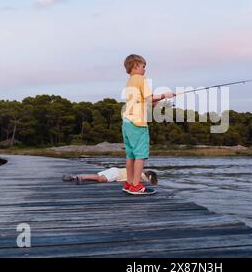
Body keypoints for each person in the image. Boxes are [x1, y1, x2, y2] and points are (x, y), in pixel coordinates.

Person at [122, 54, 174, 195]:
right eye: (144, 66)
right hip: (138, 123)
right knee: (140, 155)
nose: (145, 70)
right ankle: (136, 186)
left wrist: (158, 101)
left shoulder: (130, 81)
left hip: (127, 122)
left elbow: (144, 101)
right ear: (136, 65)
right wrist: (165, 95)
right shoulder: (140, 79)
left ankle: (129, 183)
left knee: (130, 155)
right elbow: (150, 98)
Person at [62, 168, 158, 189]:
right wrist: (152, 183)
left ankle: (75, 177)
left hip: (115, 171)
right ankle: (80, 177)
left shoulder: (139, 172)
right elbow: (146, 179)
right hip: (116, 173)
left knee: (99, 179)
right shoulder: (141, 175)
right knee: (100, 179)